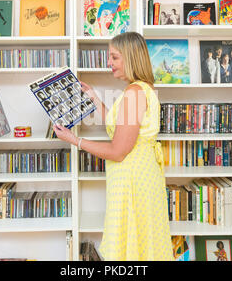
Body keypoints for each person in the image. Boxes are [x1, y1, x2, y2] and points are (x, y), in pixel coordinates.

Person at [53, 31, 174, 261]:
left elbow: (118, 152)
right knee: (140, 245)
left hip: (133, 181)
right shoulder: (142, 89)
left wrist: (74, 140)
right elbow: (119, 126)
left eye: (114, 57)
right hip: (139, 176)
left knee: (132, 248)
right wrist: (94, 98)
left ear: (130, 57)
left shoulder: (134, 94)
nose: (109, 63)